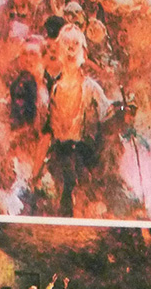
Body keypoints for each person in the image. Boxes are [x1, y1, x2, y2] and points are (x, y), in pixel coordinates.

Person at [33, 24, 114, 216]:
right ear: (59, 51)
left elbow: (109, 119)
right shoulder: (54, 90)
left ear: (84, 53)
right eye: (66, 44)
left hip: (85, 162)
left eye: (76, 44)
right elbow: (47, 133)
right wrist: (35, 173)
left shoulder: (92, 88)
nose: (70, 49)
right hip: (59, 163)